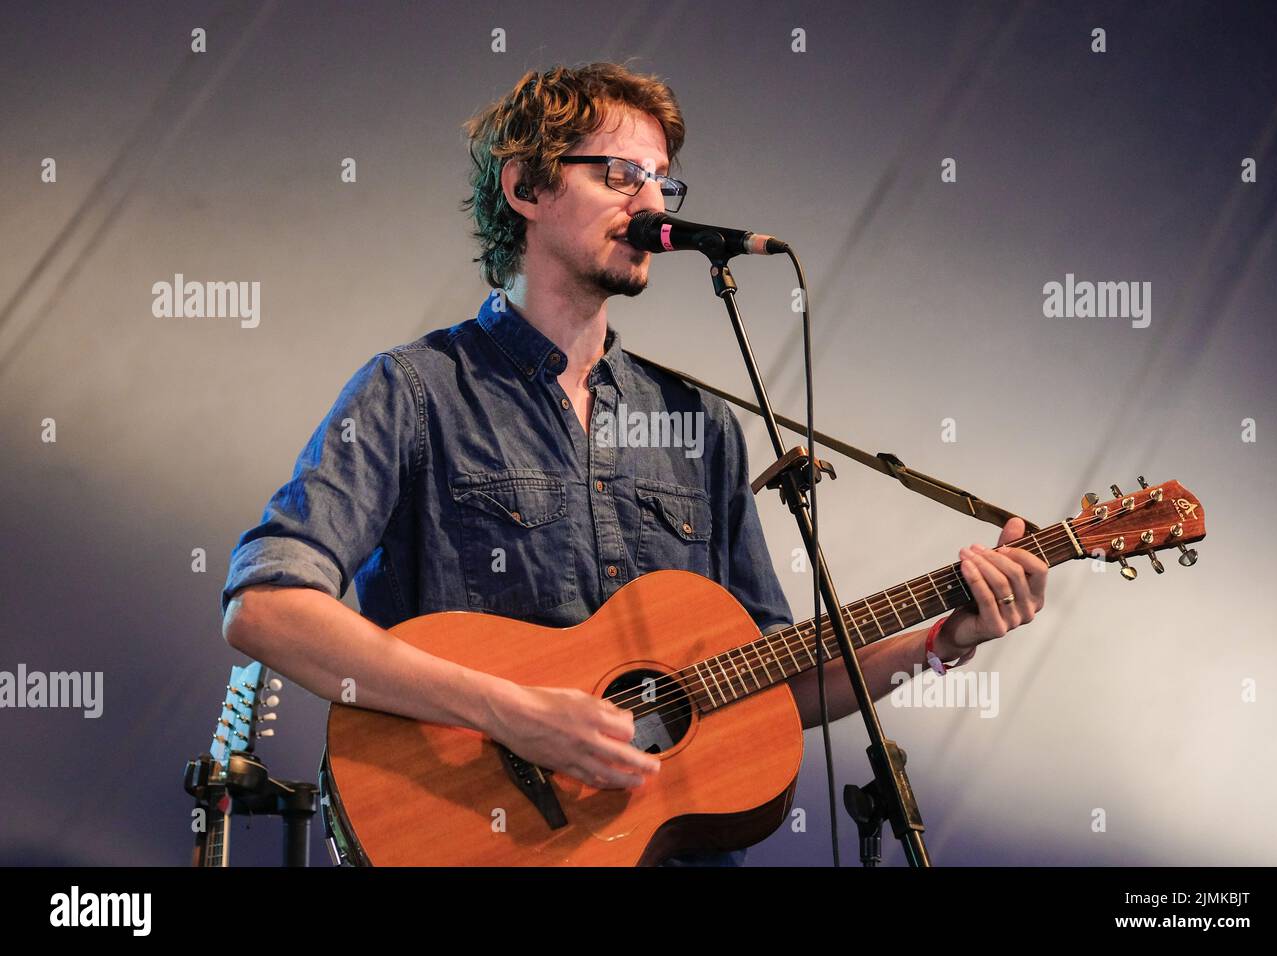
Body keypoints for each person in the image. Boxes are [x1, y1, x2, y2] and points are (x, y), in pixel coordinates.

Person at [220, 62, 1048, 866]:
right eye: (621, 175)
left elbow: (773, 679)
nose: (653, 203)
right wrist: (515, 714)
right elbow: (267, 610)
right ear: (527, 190)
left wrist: (941, 639)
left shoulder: (699, 424)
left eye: (662, 183)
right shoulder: (414, 392)